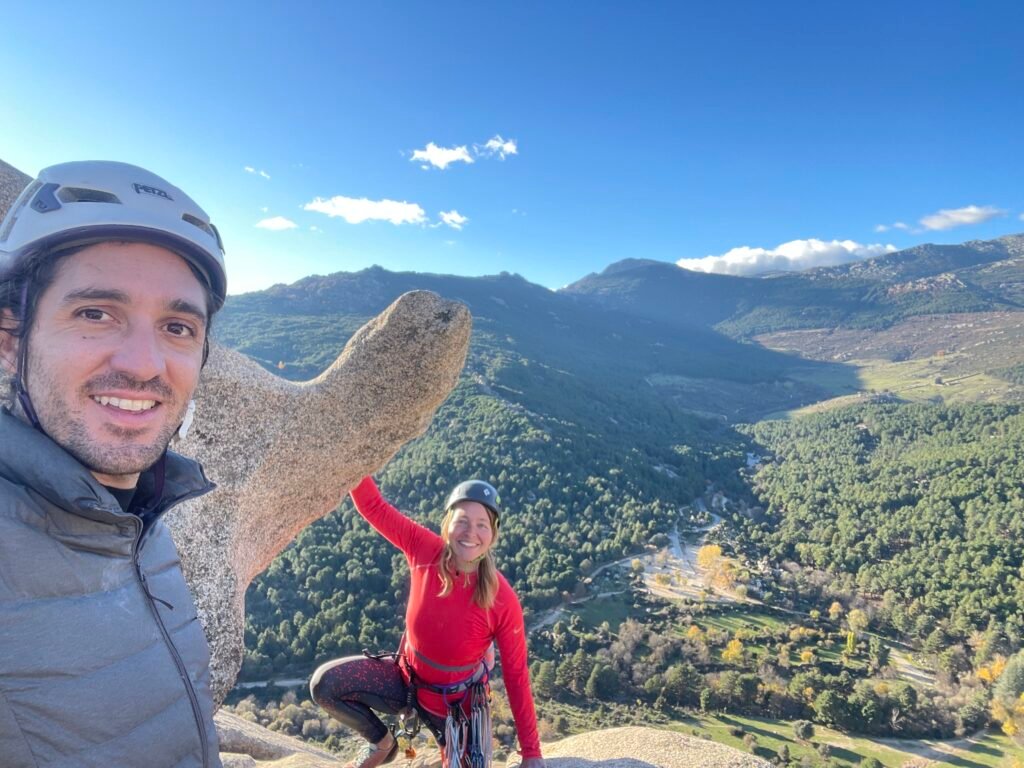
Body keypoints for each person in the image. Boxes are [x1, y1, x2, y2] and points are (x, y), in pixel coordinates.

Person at [0, 161, 228, 767]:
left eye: (177, 327)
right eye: (96, 313)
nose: (146, 364)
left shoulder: (142, 525)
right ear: (9, 338)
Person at [310, 476, 545, 768]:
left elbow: (516, 676)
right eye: (462, 521)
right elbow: (374, 507)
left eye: (482, 524)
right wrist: (352, 454)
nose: (470, 532)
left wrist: (532, 753)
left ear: (493, 535)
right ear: (446, 524)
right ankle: (383, 743)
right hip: (406, 682)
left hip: (456, 708)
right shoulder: (424, 549)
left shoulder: (502, 599)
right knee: (326, 685)